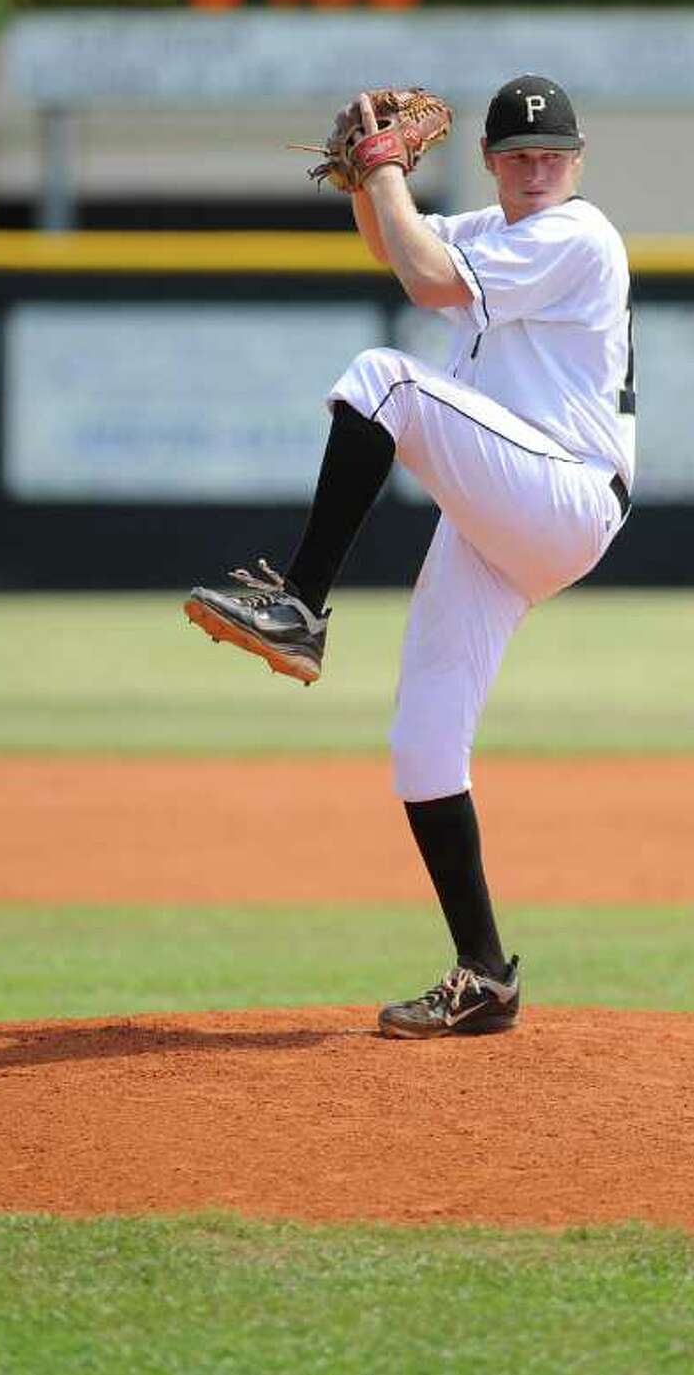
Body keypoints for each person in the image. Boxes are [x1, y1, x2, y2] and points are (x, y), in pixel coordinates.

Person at [185, 74, 635, 1038]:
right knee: (424, 742)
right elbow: (406, 251)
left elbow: (430, 283)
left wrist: (385, 168)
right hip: (505, 513)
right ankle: (486, 975)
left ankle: (299, 603)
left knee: (382, 380)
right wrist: (365, 181)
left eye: (552, 153)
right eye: (518, 157)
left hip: (564, 491)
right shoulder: (499, 229)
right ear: (493, 164)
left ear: (579, 160)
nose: (536, 168)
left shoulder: (578, 233)